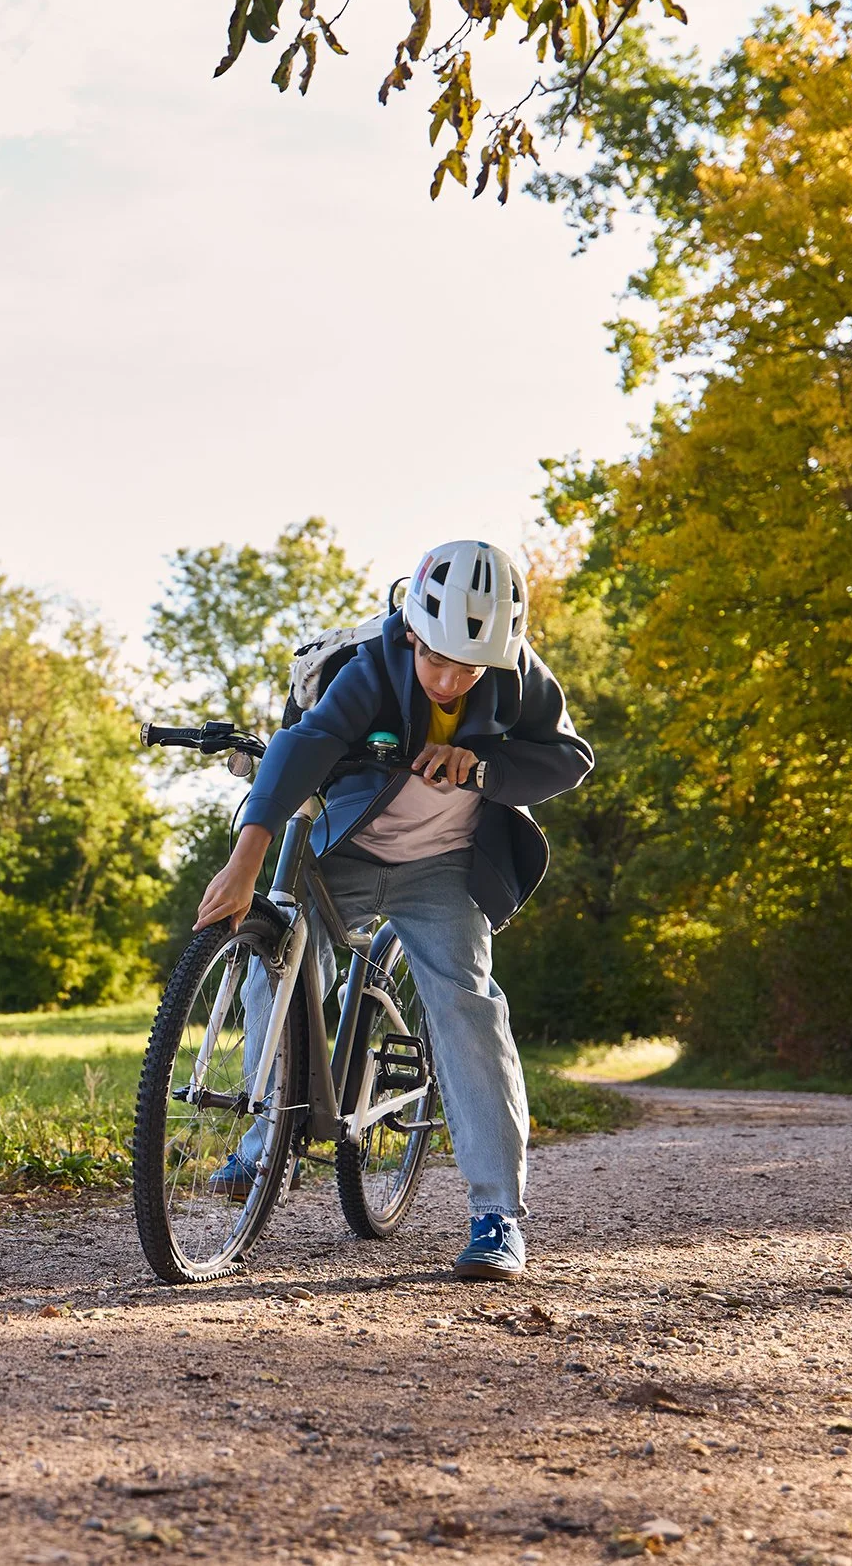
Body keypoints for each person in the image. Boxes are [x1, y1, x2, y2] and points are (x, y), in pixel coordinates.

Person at [193, 539, 594, 1282]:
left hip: (443, 868)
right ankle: (264, 1145)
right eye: (435, 659)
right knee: (271, 956)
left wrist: (484, 766)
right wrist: (245, 860)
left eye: (467, 669)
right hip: (347, 850)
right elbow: (303, 744)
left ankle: (497, 1214)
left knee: (470, 1008)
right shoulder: (373, 665)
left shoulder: (515, 676)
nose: (448, 680)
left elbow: (570, 758)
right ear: (411, 630)